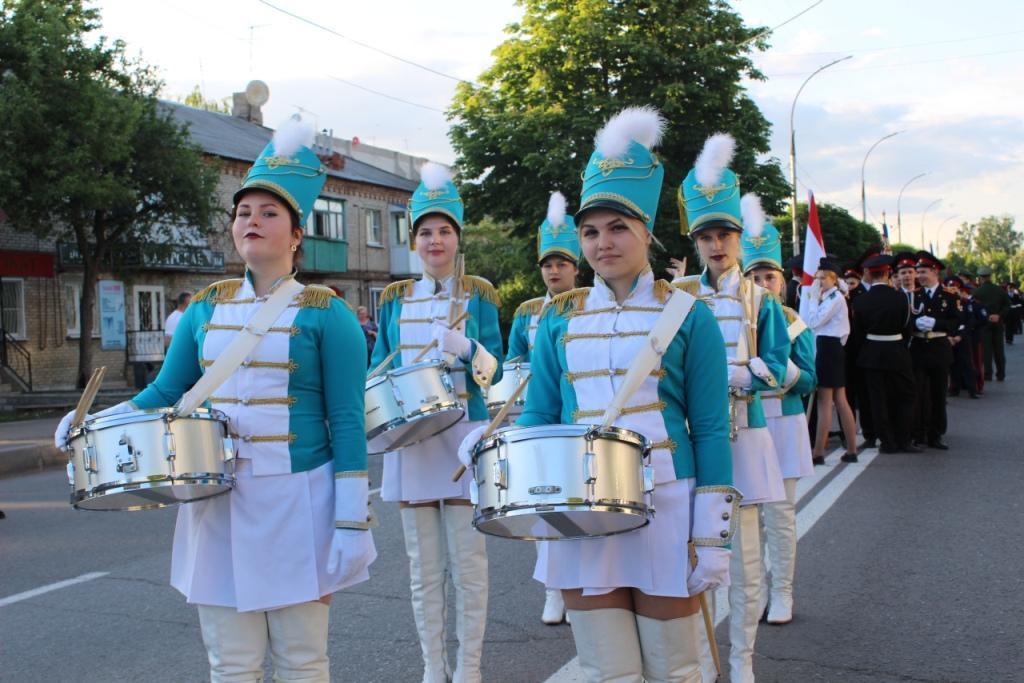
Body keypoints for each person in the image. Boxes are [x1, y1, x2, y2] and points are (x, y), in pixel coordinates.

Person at [56, 117, 376, 682]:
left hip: (299, 502)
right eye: (243, 212)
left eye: (269, 213)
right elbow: (164, 392)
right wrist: (92, 423)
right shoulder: (205, 307)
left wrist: (352, 520)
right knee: (230, 663)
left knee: (303, 661)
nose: (251, 221)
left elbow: (348, 420)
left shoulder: (329, 313)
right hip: (215, 499)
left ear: (297, 232)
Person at [463, 107, 738, 682]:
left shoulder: (689, 316)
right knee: (604, 670)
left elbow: (710, 427)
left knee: (676, 669)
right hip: (577, 508)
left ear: (645, 234)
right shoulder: (559, 320)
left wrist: (711, 535)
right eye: (591, 231)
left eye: (617, 228)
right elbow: (541, 412)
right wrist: (498, 445)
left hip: (665, 504)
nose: (602, 243)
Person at [370, 162, 503, 683]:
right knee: (423, 570)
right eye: (425, 231)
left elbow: (495, 373)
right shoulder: (394, 299)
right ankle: (433, 668)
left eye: (444, 230)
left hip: (462, 438)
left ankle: (468, 669)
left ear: (457, 238)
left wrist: (469, 348)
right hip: (411, 442)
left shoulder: (480, 295)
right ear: (415, 240)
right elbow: (378, 366)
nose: (435, 240)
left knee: (468, 568)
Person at [676, 132, 789, 682]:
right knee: (698, 554)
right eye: (706, 237)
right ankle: (701, 661)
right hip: (698, 442)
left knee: (743, 563)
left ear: (739, 239)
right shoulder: (678, 297)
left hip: (746, 436)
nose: (716, 246)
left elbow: (784, 365)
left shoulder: (762, 299)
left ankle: (742, 663)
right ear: (695, 243)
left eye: (724, 235)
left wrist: (748, 375)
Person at [505, 191, 581, 627]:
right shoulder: (527, 313)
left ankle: (578, 585)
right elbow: (513, 360)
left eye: (562, 264)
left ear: (576, 267)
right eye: (548, 265)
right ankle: (554, 589)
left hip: (572, 418)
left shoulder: (589, 305)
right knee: (541, 507)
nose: (554, 271)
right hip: (537, 420)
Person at [740, 219, 816, 626]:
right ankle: (750, 593)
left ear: (782, 282)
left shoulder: (793, 322)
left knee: (781, 515)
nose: (762, 282)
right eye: (754, 275)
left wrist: (781, 370)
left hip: (783, 422)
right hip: (746, 422)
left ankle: (782, 591)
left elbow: (809, 380)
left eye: (769, 276)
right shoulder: (734, 318)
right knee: (746, 515)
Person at [850, 255, 919, 454]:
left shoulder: (861, 301)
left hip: (871, 353)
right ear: (889, 273)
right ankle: (903, 439)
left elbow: (859, 332)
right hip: (897, 351)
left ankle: (886, 442)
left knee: (877, 399)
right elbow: (907, 328)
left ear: (869, 275)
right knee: (905, 396)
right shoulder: (900, 297)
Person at [803, 258, 859, 464]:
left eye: (822, 279)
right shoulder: (831, 296)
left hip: (829, 348)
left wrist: (811, 299)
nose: (819, 282)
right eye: (817, 279)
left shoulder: (834, 298)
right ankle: (851, 450)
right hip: (830, 347)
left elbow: (814, 321)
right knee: (838, 400)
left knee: (825, 401)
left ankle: (818, 452)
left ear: (833, 279)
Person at [908, 252, 959, 450]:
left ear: (934, 272)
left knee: (938, 394)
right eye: (917, 272)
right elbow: (905, 322)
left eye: (923, 272)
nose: (919, 276)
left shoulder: (949, 297)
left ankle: (936, 433)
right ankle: (918, 432)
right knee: (919, 393)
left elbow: (956, 322)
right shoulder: (914, 296)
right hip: (919, 349)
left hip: (938, 349)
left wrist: (937, 323)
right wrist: (914, 323)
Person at [945, 277, 981, 399]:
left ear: (960, 290)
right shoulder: (944, 303)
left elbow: (969, 321)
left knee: (967, 364)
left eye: (955, 289)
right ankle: (954, 388)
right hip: (949, 338)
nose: (953, 291)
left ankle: (972, 389)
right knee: (952, 365)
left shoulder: (966, 303)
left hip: (963, 338)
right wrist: (950, 336)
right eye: (950, 289)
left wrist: (960, 335)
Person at [972, 267, 1010, 382]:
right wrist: (999, 315)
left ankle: (988, 374)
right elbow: (1007, 305)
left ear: (981, 278)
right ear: (990, 276)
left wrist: (987, 316)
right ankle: (1001, 374)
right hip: (998, 323)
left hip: (984, 324)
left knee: (986, 351)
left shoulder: (977, 292)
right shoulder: (1000, 290)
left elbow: (975, 309)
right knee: (999, 349)